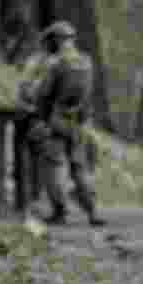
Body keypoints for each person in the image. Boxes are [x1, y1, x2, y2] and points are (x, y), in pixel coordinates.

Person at [28, 20, 104, 226]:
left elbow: (43, 94)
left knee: (53, 165)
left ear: (56, 41)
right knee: (79, 167)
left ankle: (60, 211)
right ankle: (92, 211)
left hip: (57, 120)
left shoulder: (55, 64)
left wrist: (40, 117)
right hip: (80, 123)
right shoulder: (86, 62)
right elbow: (88, 95)